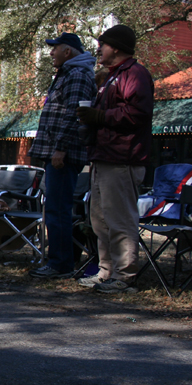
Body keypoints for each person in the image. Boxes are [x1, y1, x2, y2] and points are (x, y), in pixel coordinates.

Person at [76, 24, 154, 294]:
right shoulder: (110, 77)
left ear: (117, 47)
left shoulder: (135, 74)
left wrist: (100, 117)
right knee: (100, 220)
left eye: (103, 45)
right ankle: (106, 271)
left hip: (123, 158)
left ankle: (124, 276)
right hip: (103, 156)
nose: (99, 49)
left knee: (120, 219)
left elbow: (137, 114)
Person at [28, 33, 96, 279]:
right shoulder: (68, 74)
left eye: (54, 48)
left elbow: (74, 114)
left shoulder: (77, 75)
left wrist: (61, 148)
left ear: (68, 51)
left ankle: (60, 264)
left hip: (63, 154)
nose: (50, 53)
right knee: (54, 208)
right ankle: (59, 260)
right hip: (57, 151)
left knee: (58, 209)